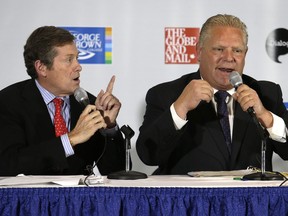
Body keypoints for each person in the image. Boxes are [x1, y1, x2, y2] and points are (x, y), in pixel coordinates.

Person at [136, 14, 288, 175]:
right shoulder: (166, 94)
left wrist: (266, 117)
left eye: (237, 50)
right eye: (219, 49)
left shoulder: (266, 94)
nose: (229, 58)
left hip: (252, 199)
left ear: (245, 54)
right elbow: (148, 155)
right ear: (199, 51)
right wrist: (180, 108)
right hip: (191, 199)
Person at [0, 26, 126, 176]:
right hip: (31, 198)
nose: (79, 66)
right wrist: (70, 139)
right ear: (42, 68)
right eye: (69, 60)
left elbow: (115, 171)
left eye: (77, 58)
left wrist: (108, 128)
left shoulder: (88, 104)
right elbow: (8, 164)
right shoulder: (9, 102)